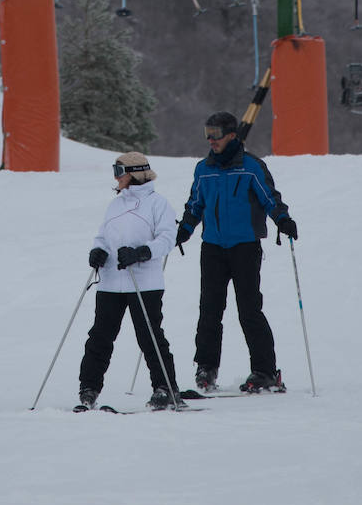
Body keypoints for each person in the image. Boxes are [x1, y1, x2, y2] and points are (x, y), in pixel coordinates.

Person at [175, 111, 297, 393]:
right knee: (209, 310)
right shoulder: (203, 169)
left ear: (232, 135)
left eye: (215, 134)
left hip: (245, 247)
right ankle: (206, 367)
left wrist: (283, 220)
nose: (210, 139)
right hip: (213, 247)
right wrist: (184, 229)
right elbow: (195, 204)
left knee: (249, 310)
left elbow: (270, 199)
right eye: (207, 133)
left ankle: (265, 370)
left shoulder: (252, 166)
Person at [77, 152, 182, 411]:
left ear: (135, 172)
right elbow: (103, 236)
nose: (115, 176)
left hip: (144, 282)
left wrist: (141, 252)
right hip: (111, 281)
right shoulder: (116, 204)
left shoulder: (158, 204)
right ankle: (89, 387)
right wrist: (97, 251)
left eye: (119, 169)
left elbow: (168, 238)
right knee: (100, 336)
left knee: (149, 337)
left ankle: (165, 388)